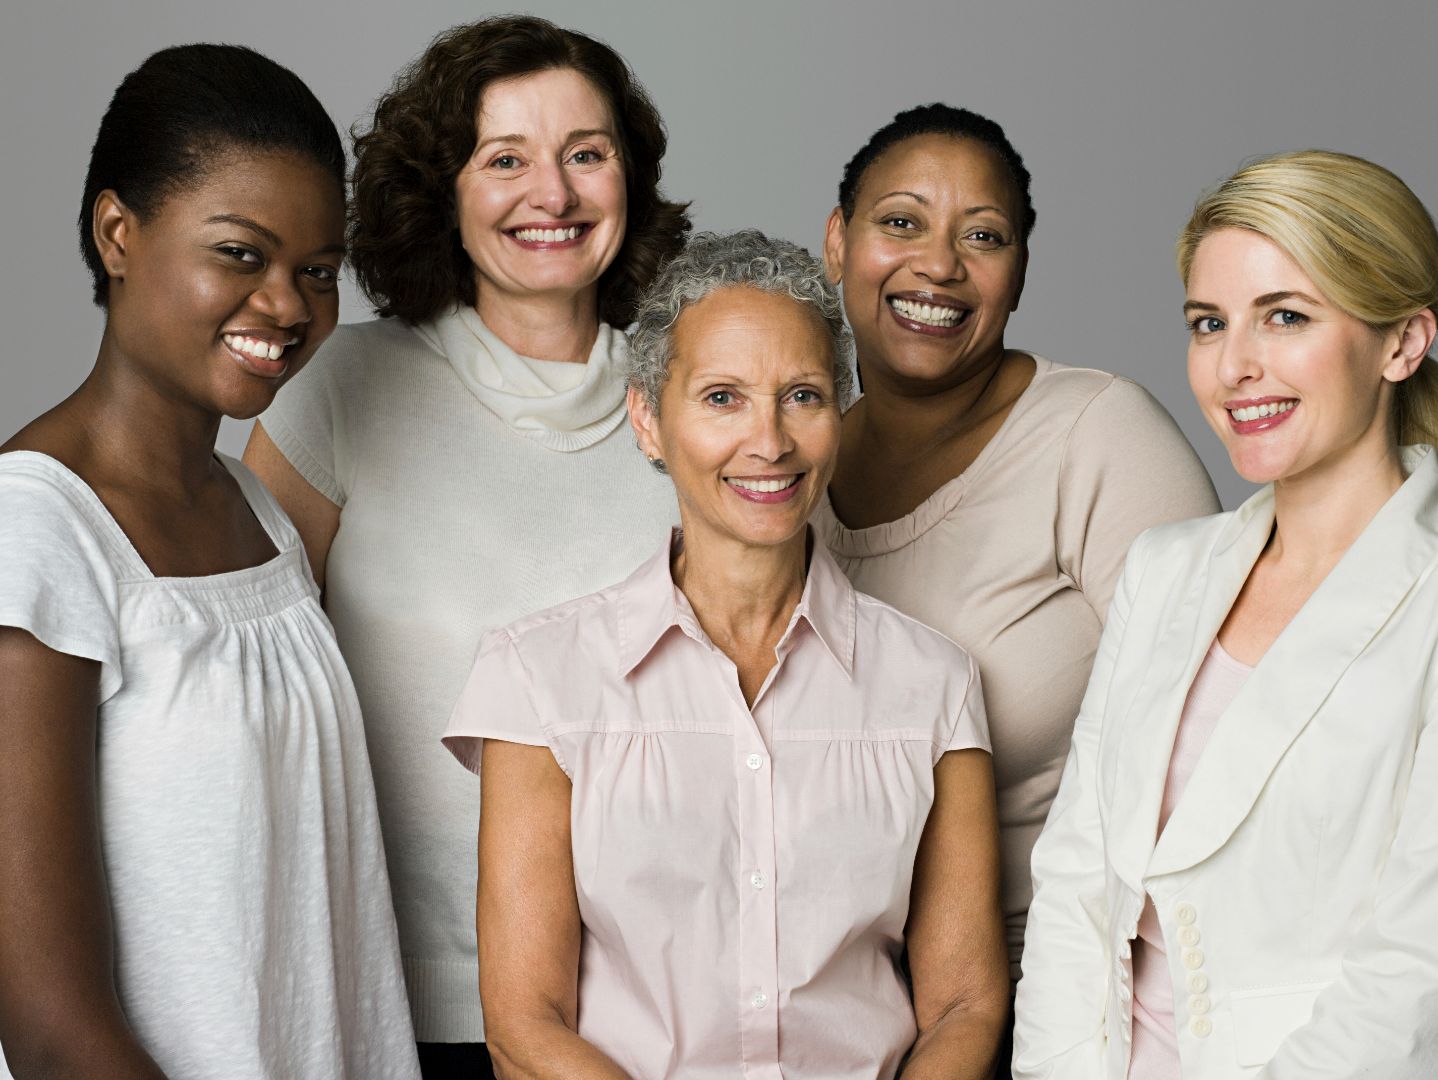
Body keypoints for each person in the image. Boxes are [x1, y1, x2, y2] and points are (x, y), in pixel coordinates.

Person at [442, 230, 1010, 1079]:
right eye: (722, 398)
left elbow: (965, 1004)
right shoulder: (537, 678)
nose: (769, 441)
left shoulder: (934, 683)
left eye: (803, 396)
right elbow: (526, 1024)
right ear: (648, 420)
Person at [242, 16, 689, 1075]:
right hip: (389, 1006)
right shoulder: (339, 391)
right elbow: (246, 685)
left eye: (587, 154)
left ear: (629, 179)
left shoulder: (697, 406)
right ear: (440, 190)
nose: (554, 194)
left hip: (648, 1016)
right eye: (505, 160)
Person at [0, 45, 419, 1079]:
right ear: (117, 234)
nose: (289, 305)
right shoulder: (34, 532)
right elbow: (51, 1028)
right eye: (240, 253)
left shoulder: (255, 509)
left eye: (316, 271)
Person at [1013, 150, 1438, 1078]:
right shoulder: (1166, 571)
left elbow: (1415, 972)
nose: (1235, 366)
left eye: (1286, 316)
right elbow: (1077, 883)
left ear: (1403, 343)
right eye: (1209, 323)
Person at [814, 103, 1219, 995]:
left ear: (1020, 272)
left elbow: (1218, 743)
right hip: (838, 984)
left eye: (984, 236)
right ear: (839, 242)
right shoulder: (787, 466)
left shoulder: (1096, 434)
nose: (939, 264)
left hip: (1069, 972)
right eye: (901, 222)